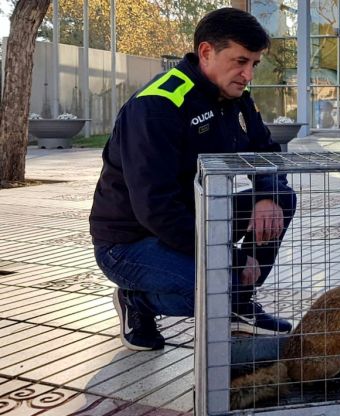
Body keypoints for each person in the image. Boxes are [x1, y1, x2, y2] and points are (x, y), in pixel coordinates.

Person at [89, 8, 296, 351]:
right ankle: (137, 301)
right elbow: (156, 209)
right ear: (206, 53)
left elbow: (266, 153)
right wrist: (229, 257)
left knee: (282, 199)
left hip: (194, 219)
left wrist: (267, 194)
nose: (248, 75)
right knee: (219, 284)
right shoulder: (158, 106)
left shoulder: (234, 96)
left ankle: (237, 305)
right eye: (240, 61)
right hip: (129, 243)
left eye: (254, 65)